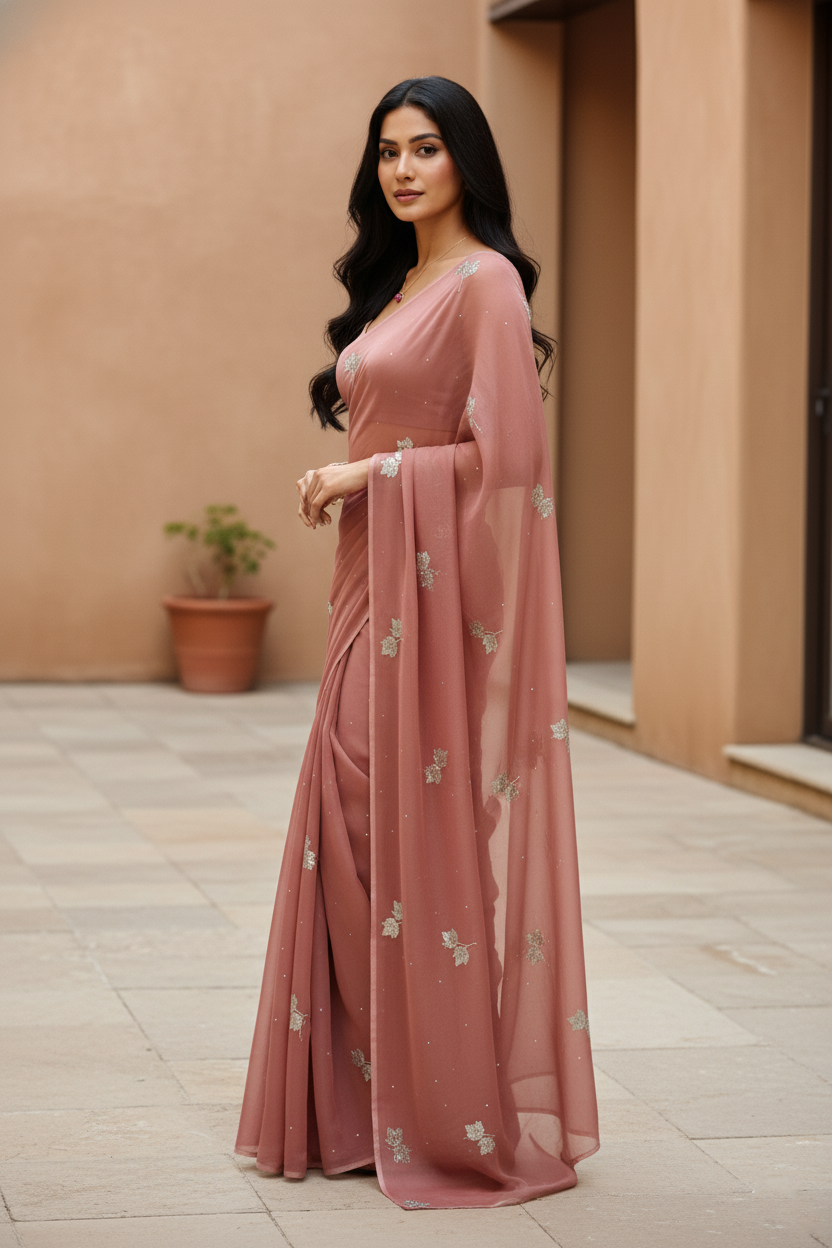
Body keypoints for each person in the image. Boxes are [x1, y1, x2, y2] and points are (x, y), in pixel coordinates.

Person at [236, 75, 599, 1210]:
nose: (402, 169)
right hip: (367, 584)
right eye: (388, 150)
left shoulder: (484, 283)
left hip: (431, 602)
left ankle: (436, 1102)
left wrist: (369, 472)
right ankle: (355, 1099)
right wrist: (345, 476)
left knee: (379, 816)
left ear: (465, 163)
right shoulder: (400, 283)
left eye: (427, 148)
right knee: (349, 830)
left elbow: (513, 463)